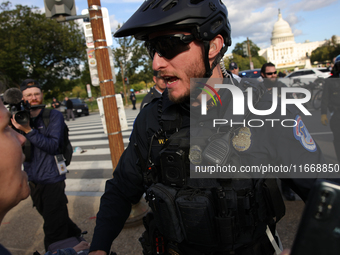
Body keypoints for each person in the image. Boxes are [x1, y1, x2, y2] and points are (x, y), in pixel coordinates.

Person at [89, 1, 324, 254]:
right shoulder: (151, 118)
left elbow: (325, 193)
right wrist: (98, 248)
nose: (156, 63)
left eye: (168, 46)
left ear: (213, 46)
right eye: (152, 48)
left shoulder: (268, 110)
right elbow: (121, 190)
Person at [0, 98, 89, 255]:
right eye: (5, 129)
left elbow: (53, 146)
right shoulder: (20, 121)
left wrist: (29, 131)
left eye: (36, 93)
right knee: (57, 219)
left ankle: (64, 245)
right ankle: (78, 240)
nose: (20, 139)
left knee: (53, 228)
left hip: (53, 179)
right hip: (33, 181)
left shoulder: (52, 116)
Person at [260, 63, 296, 201]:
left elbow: (293, 109)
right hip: (264, 134)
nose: (273, 75)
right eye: (269, 73)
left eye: (275, 72)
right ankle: (269, 195)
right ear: (263, 75)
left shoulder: (282, 87)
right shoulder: (258, 90)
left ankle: (287, 191)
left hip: (282, 132)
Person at [321, 55, 340, 163]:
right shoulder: (330, 81)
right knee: (338, 140)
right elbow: (325, 98)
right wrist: (323, 114)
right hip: (337, 114)